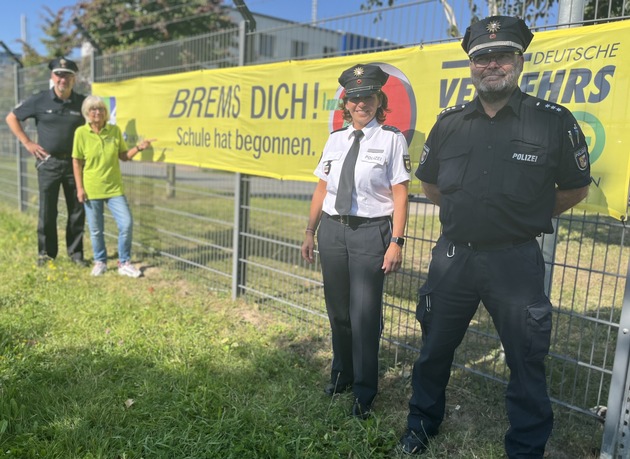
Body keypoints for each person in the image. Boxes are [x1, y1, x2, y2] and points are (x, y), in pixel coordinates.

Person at [398, 16, 591, 457]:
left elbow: (576, 187)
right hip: (453, 260)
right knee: (433, 351)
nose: (492, 64)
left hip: (515, 261)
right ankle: (421, 425)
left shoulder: (553, 122)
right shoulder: (448, 124)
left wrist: (521, 218)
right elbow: (429, 182)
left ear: (519, 61)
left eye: (502, 55)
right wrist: (466, 215)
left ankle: (525, 447)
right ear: (471, 66)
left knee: (526, 361)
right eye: (482, 57)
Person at [301, 64, 411, 419]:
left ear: (379, 100)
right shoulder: (336, 139)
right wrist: (310, 230)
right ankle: (342, 374)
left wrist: (396, 240)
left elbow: (400, 193)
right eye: (354, 98)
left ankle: (364, 391)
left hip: (370, 232)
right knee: (338, 310)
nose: (361, 103)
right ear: (345, 104)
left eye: (368, 97)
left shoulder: (392, 139)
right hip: (333, 230)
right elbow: (322, 188)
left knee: (364, 314)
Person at [6, 57, 88, 267]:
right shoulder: (40, 100)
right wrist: (27, 143)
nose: (63, 79)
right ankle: (46, 254)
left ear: (74, 79)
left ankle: (76, 254)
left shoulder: (82, 103)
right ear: (53, 76)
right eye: (59, 74)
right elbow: (11, 117)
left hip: (75, 165)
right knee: (47, 212)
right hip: (48, 164)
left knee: (77, 211)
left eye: (68, 75)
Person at [72, 95, 155, 278]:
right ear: (87, 113)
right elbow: (77, 162)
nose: (97, 112)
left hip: (114, 189)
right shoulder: (81, 133)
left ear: (105, 112)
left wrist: (140, 148)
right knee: (96, 230)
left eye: (101, 109)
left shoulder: (114, 131)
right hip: (92, 188)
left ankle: (124, 262)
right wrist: (80, 188)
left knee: (126, 223)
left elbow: (124, 156)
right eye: (93, 109)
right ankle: (100, 261)